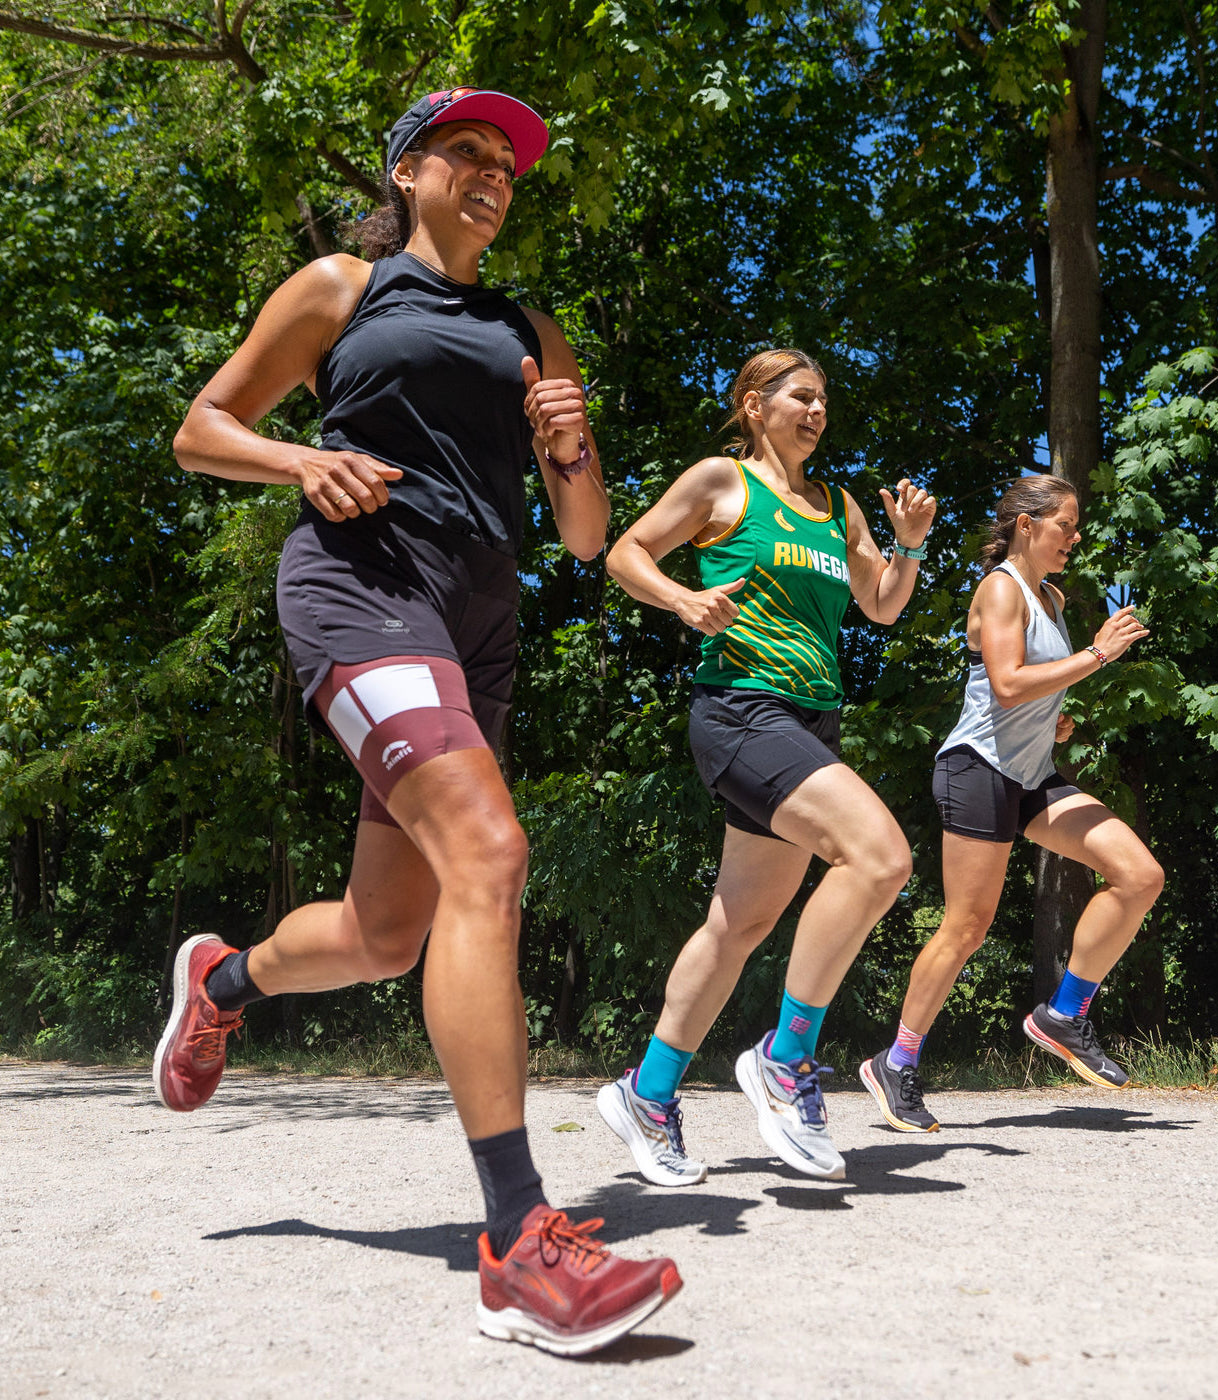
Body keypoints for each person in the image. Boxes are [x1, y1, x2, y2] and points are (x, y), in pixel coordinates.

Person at [154, 86, 680, 1356]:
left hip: (477, 618)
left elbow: (586, 534)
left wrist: (570, 444)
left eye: (508, 163)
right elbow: (200, 429)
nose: (495, 173)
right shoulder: (342, 287)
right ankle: (515, 1241)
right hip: (362, 586)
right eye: (468, 152)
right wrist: (301, 461)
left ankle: (220, 979)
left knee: (390, 931)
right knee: (489, 856)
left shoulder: (527, 327)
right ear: (409, 169)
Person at [596, 348, 936, 1185]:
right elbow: (625, 553)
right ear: (754, 406)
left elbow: (880, 606)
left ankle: (648, 1092)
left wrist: (907, 549)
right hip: (742, 709)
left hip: (810, 724)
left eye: (824, 400)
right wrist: (681, 599)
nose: (816, 411)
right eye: (800, 397)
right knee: (881, 856)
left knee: (738, 924)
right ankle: (786, 1061)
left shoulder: (837, 506)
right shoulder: (722, 481)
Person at [860, 473, 1164, 1132]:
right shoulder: (1000, 589)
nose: (1074, 538)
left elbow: (1032, 689)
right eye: (1065, 526)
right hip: (978, 770)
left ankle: (1064, 1014)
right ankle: (898, 1060)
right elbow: (1004, 683)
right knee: (968, 926)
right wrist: (1097, 654)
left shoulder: (1051, 597)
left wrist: (1055, 718)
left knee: (1140, 875)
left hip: (1030, 775)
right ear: (1026, 525)